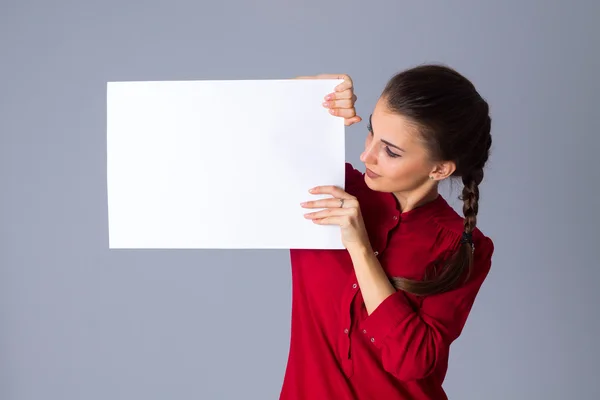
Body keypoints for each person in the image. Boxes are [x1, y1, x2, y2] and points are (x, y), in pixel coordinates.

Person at [279, 65, 494, 400]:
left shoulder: (461, 245)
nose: (367, 155)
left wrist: (360, 248)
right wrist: (305, 98)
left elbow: (412, 362)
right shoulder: (330, 190)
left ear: (439, 168)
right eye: (370, 133)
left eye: (391, 151)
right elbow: (254, 138)